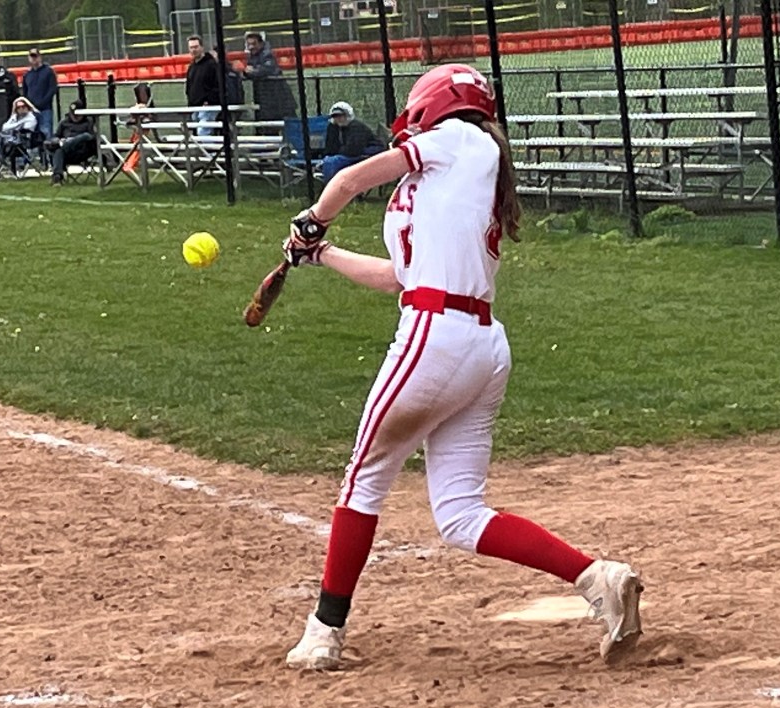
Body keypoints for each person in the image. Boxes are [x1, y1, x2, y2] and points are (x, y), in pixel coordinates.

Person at [281, 64, 642, 671]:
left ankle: (324, 631)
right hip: (477, 345)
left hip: (435, 338)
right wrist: (323, 253)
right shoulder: (450, 181)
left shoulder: (460, 139)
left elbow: (348, 179)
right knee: (459, 513)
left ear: (433, 107)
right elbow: (400, 278)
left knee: (363, 481)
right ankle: (596, 578)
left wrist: (314, 218)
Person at [241, 31, 296, 130]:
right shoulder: (252, 56)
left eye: (254, 44)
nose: (251, 47)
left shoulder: (267, 54)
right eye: (248, 44)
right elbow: (249, 72)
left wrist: (251, 71)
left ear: (260, 43)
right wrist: (248, 72)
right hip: (266, 101)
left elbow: (265, 70)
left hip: (280, 99)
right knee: (268, 129)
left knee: (290, 128)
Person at [321, 101, 386, 182]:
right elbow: (330, 147)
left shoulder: (356, 127)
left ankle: (332, 185)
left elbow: (353, 149)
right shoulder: (333, 128)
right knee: (328, 160)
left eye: (341, 115)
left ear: (347, 115)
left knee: (332, 161)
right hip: (349, 154)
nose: (338, 119)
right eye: (335, 116)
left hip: (368, 153)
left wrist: (338, 152)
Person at [0, 96, 38, 181]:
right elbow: (4, 127)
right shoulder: (14, 117)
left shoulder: (31, 118)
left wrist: (14, 126)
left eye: (23, 106)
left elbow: (26, 129)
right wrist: (18, 124)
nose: (21, 109)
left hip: (22, 141)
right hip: (8, 139)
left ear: (27, 107)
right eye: (18, 107)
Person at [45, 100, 96, 186]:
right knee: (58, 150)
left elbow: (92, 137)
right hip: (67, 153)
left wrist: (73, 140)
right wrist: (58, 140)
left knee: (84, 136)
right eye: (73, 115)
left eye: (77, 115)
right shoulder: (64, 123)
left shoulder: (88, 122)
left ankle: (65, 145)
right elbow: (56, 136)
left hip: (82, 151)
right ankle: (57, 177)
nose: (75, 117)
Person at [185, 35, 219, 136]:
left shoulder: (212, 65)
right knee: (198, 134)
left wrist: (210, 101)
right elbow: (189, 86)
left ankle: (210, 148)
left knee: (203, 133)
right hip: (194, 107)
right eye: (191, 47)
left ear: (202, 47)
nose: (193, 50)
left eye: (196, 47)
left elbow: (218, 85)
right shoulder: (191, 67)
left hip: (208, 107)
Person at [22, 47, 57, 139]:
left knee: (46, 133)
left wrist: (43, 103)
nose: (34, 58)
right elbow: (25, 92)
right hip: (31, 111)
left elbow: (52, 89)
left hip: (45, 109)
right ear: (29, 58)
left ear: (40, 57)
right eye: (31, 56)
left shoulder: (48, 71)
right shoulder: (27, 74)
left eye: (35, 56)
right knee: (31, 135)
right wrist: (28, 106)